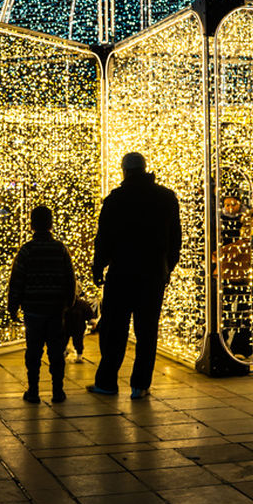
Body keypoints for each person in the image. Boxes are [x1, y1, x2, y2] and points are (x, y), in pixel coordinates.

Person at [88, 152, 181, 399]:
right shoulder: (166, 198)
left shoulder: (116, 199)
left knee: (114, 330)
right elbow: (175, 239)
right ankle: (140, 385)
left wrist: (99, 267)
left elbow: (104, 238)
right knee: (147, 331)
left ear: (125, 171)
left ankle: (107, 382)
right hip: (152, 275)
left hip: (121, 274)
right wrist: (166, 267)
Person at [8, 205, 75, 403]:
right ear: (51, 224)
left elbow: (17, 279)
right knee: (56, 351)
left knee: (33, 351)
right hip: (55, 309)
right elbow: (70, 278)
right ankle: (58, 391)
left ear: (32, 224)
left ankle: (33, 391)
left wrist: (13, 305)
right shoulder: (60, 249)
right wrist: (68, 303)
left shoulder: (27, 250)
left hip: (33, 309)